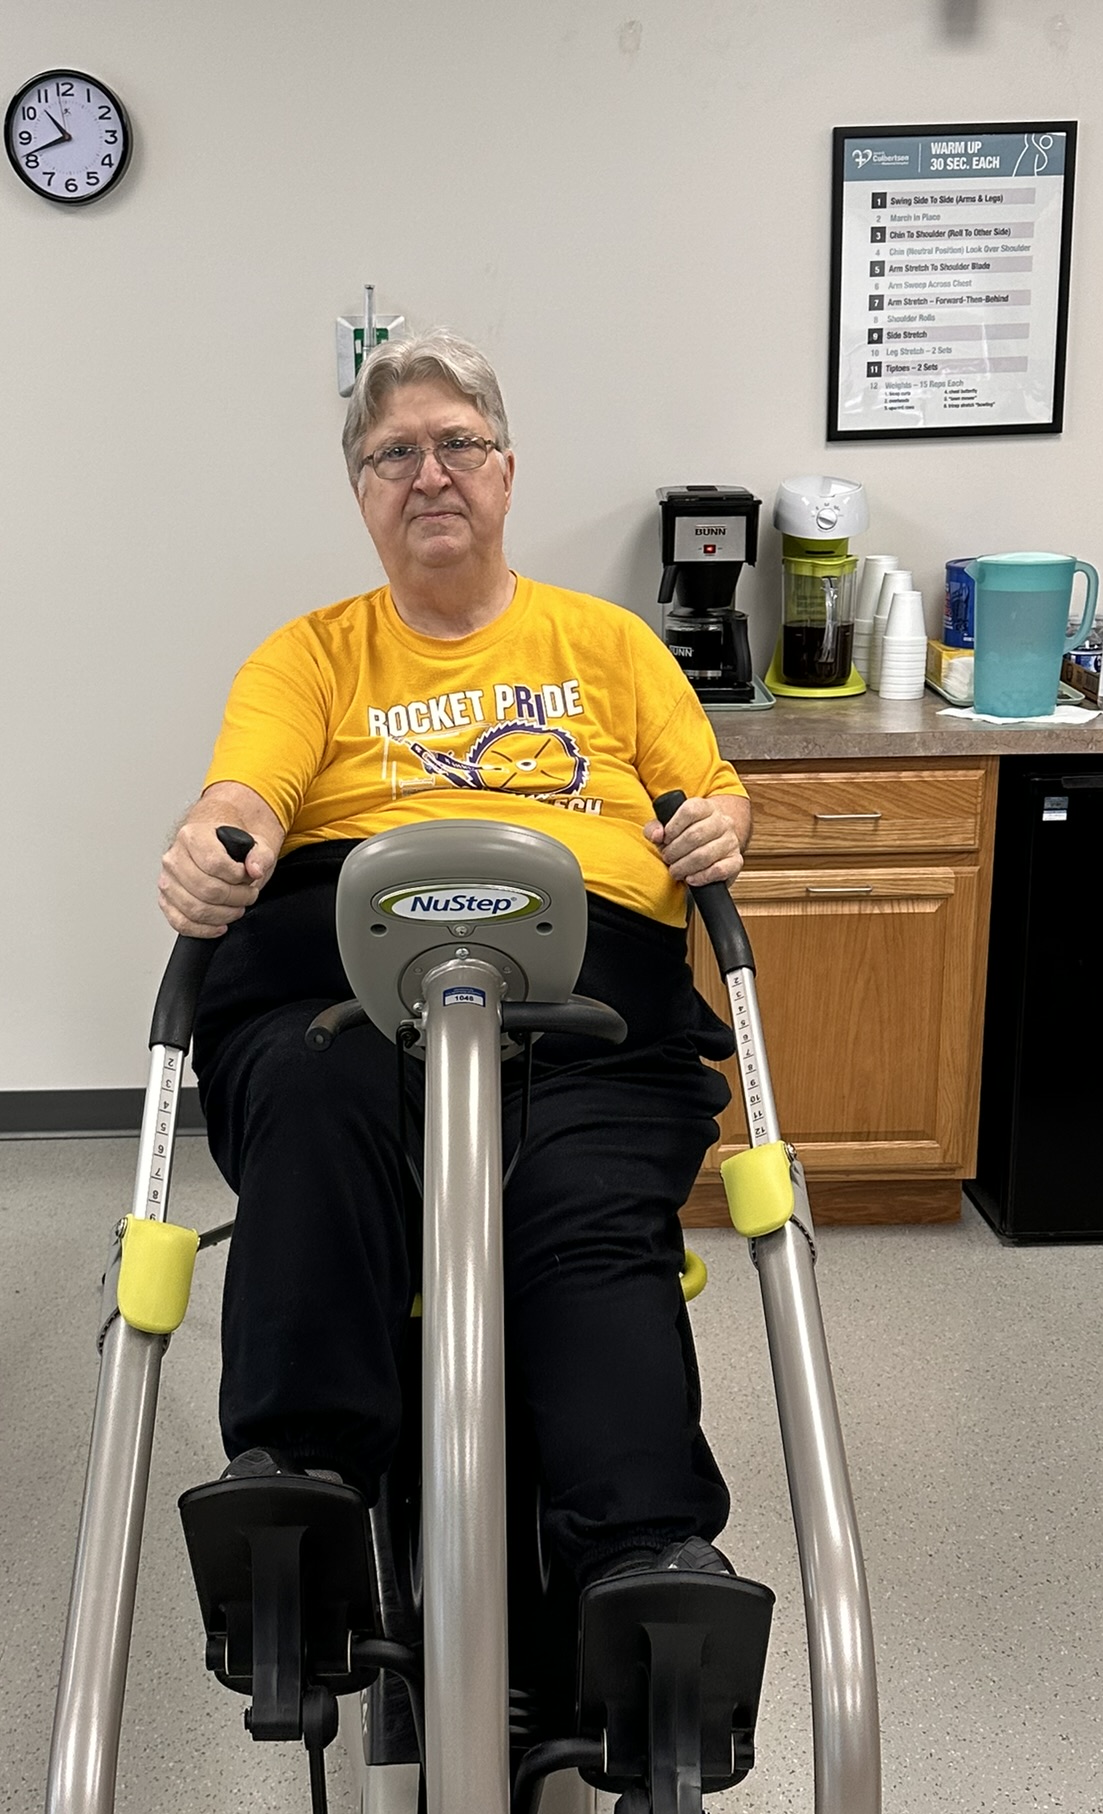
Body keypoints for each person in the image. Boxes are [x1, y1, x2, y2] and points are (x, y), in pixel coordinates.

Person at [158, 330, 751, 1587]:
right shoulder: (310, 654)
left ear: (506, 471)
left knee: (583, 1214)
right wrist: (220, 845)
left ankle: (647, 1571)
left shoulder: (607, 643)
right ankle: (298, 1504)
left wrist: (719, 821)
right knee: (317, 1107)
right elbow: (247, 790)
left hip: (590, 990)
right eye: (393, 455)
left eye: (457, 445)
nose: (429, 474)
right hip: (346, 979)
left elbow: (711, 793)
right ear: (361, 493)